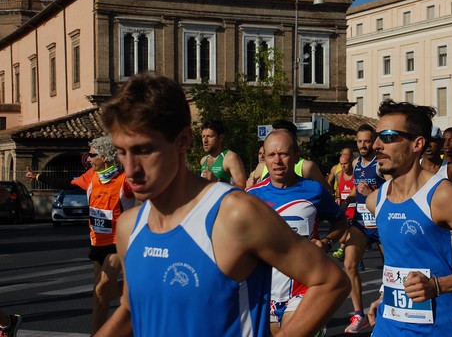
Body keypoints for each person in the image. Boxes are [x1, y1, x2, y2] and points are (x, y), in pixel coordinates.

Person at [94, 74, 349, 337]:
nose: (131, 169)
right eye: (122, 152)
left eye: (144, 150)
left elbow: (330, 282)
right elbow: (131, 309)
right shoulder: (128, 226)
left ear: (183, 141)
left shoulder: (236, 214)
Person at [366, 99, 452, 336]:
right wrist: (385, 294)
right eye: (377, 136)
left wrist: (437, 286)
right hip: (388, 324)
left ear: (417, 144)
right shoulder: (376, 201)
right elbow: (399, 261)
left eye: (389, 136)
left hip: (441, 327)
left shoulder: (442, 196)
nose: (377, 145)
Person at [26, 136, 135, 334]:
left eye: (92, 155)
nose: (88, 159)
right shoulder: (90, 177)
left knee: (102, 289)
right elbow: (66, 182)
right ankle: (96, 332)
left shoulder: (124, 180)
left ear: (104, 157)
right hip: (97, 242)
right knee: (98, 296)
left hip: (117, 243)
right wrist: (38, 177)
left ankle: (137, 289)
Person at [246, 129, 347, 335]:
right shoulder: (252, 196)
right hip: (265, 292)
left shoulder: (314, 191)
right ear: (263, 157)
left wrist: (326, 242)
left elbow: (341, 222)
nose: (277, 161)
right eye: (271, 155)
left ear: (296, 155)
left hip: (303, 288)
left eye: (283, 154)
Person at [343, 123, 386, 334]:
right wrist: (346, 201)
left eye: (367, 141)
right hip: (361, 222)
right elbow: (356, 186)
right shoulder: (356, 163)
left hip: (381, 221)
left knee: (391, 267)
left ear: (374, 141)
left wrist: (373, 191)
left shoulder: (381, 163)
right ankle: (358, 313)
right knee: (350, 263)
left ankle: (384, 304)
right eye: (359, 141)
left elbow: (394, 186)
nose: (362, 145)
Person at [248, 120, 330, 190]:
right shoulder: (262, 166)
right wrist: (249, 189)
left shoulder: (306, 166)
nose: (277, 160)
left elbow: (327, 192)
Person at [199, 119, 247, 189]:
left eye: (210, 136)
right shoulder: (203, 160)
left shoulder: (230, 158)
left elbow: (243, 187)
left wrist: (217, 182)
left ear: (220, 138)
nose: (205, 140)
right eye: (203, 136)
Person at [332, 148, 356, 261]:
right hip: (345, 211)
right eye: (341, 164)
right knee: (343, 238)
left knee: (350, 237)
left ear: (351, 161)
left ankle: (348, 255)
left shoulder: (356, 174)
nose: (343, 167)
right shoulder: (338, 175)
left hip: (356, 212)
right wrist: (337, 198)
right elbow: (339, 191)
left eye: (345, 164)